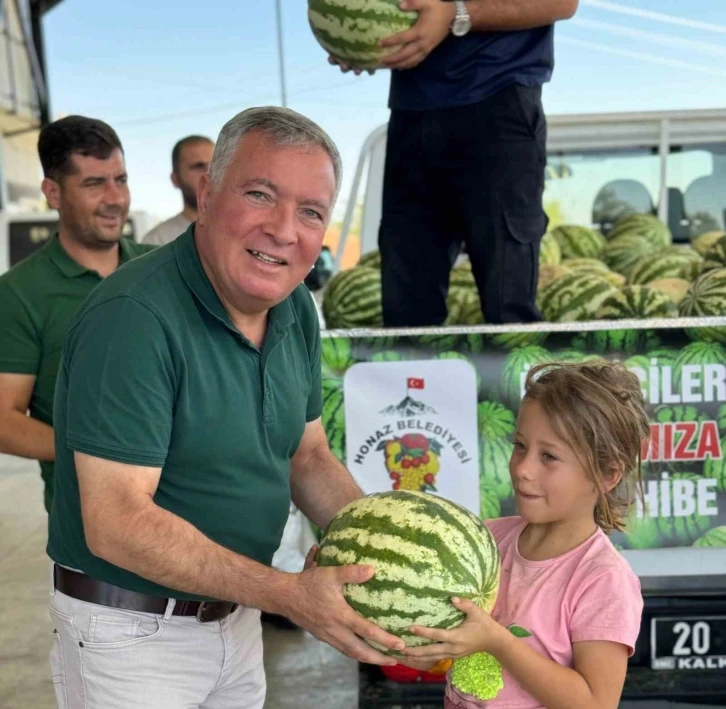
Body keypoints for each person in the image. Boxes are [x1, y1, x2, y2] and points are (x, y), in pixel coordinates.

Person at [46, 106, 404, 709]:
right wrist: (291, 594)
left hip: (236, 616)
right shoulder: (133, 319)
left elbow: (308, 455)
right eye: (261, 195)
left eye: (311, 212)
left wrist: (385, 557)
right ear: (208, 192)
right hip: (131, 636)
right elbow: (115, 523)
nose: (285, 230)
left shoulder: (292, 309)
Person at [401, 360, 647, 708]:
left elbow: (596, 702)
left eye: (548, 456)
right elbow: (436, 644)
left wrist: (497, 641)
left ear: (607, 475)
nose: (523, 468)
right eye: (520, 446)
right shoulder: (486, 539)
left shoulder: (604, 580)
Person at [333, 0, 578, 326]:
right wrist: (362, 37)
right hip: (412, 112)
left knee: (509, 312)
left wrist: (457, 14)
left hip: (497, 99)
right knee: (406, 314)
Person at [0, 115, 155, 513]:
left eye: (120, 180)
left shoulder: (161, 271)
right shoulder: (19, 293)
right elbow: (4, 420)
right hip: (88, 527)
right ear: (53, 193)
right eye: (93, 183)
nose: (115, 198)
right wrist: (102, 451)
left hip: (188, 512)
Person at [142, 135, 215, 246]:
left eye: (215, 166)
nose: (210, 174)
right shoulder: (157, 241)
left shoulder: (244, 229)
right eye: (198, 167)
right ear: (176, 179)